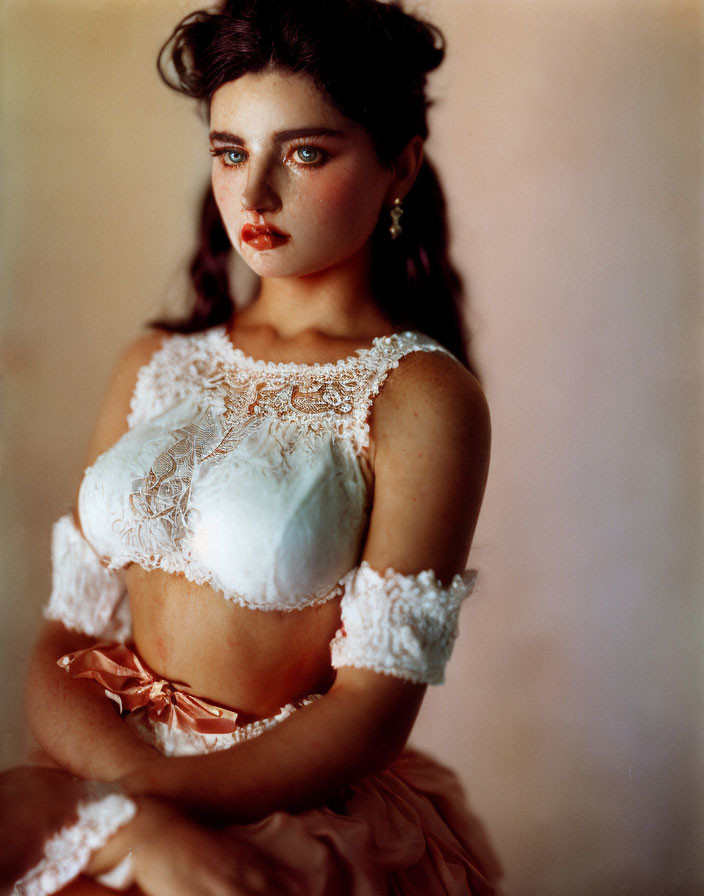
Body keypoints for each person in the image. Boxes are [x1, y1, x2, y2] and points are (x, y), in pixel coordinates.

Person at [5, 0, 500, 893]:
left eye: (304, 152)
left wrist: (165, 800)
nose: (254, 194)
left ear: (399, 168)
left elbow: (372, 708)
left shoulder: (422, 397)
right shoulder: (154, 362)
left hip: (278, 813)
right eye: (231, 151)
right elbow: (66, 635)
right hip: (99, 782)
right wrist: (120, 808)